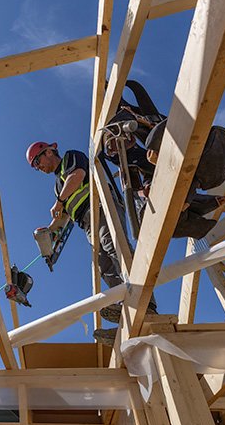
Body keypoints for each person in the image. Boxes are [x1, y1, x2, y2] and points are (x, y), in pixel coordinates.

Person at [26, 141, 155, 344]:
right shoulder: (58, 186)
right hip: (87, 223)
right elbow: (63, 216)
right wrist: (49, 231)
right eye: (34, 166)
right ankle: (128, 309)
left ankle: (146, 305)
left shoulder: (70, 157)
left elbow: (77, 176)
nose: (38, 167)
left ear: (49, 151)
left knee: (115, 248)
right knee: (104, 267)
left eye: (37, 161)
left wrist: (59, 202)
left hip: (101, 206)